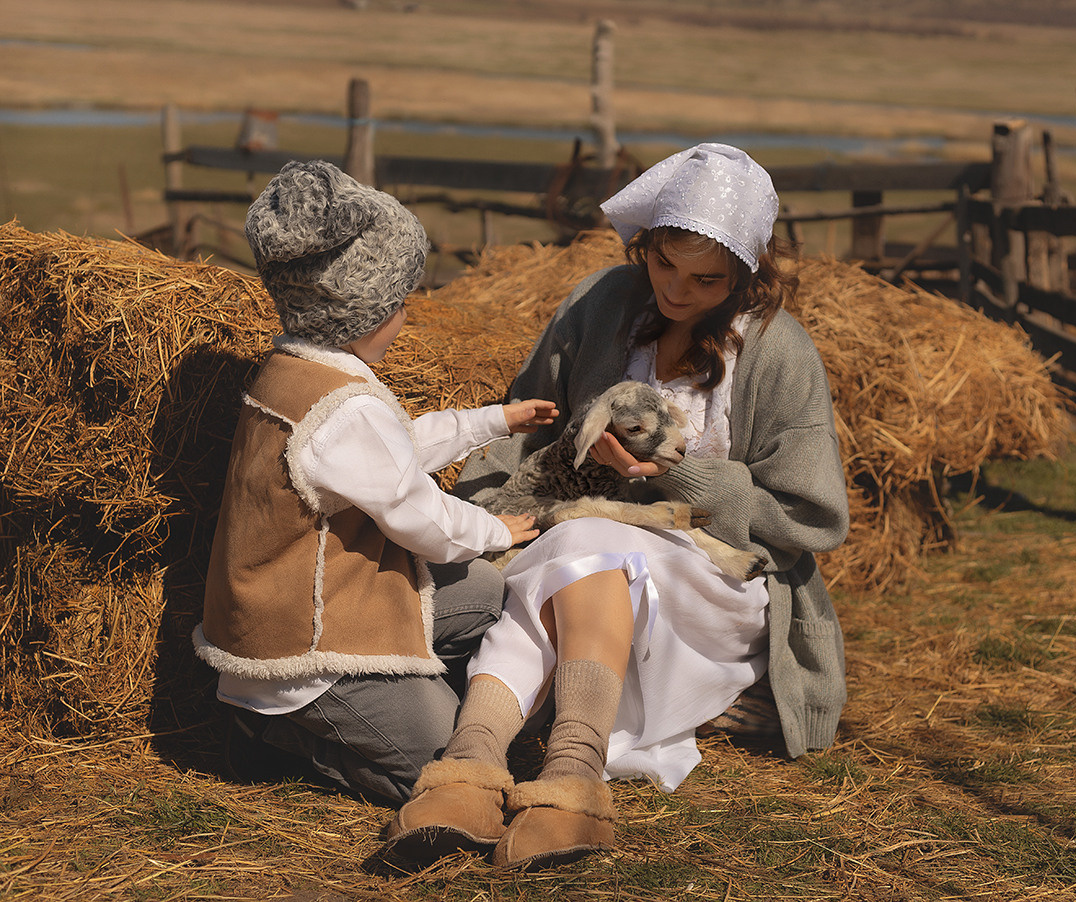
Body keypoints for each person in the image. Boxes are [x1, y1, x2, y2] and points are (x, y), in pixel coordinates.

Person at [384, 143, 850, 870]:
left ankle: (549, 768)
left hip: (716, 580)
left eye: (705, 278)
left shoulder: (778, 351)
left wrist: (680, 474)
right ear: (646, 243)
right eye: (663, 264)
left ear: (746, 272)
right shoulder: (602, 302)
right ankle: (483, 776)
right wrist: (476, 513)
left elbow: (813, 516)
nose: (676, 289)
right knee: (570, 555)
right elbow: (531, 414)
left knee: (582, 545)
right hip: (584, 558)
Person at [193, 160, 557, 805]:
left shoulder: (296, 368)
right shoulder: (347, 405)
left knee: (488, 594)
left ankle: (394, 699)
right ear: (365, 312)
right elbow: (414, 512)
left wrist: (491, 422)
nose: (405, 317)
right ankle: (284, 734)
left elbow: (385, 456)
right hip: (302, 649)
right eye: (398, 304)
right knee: (451, 769)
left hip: (295, 603)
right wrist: (492, 528)